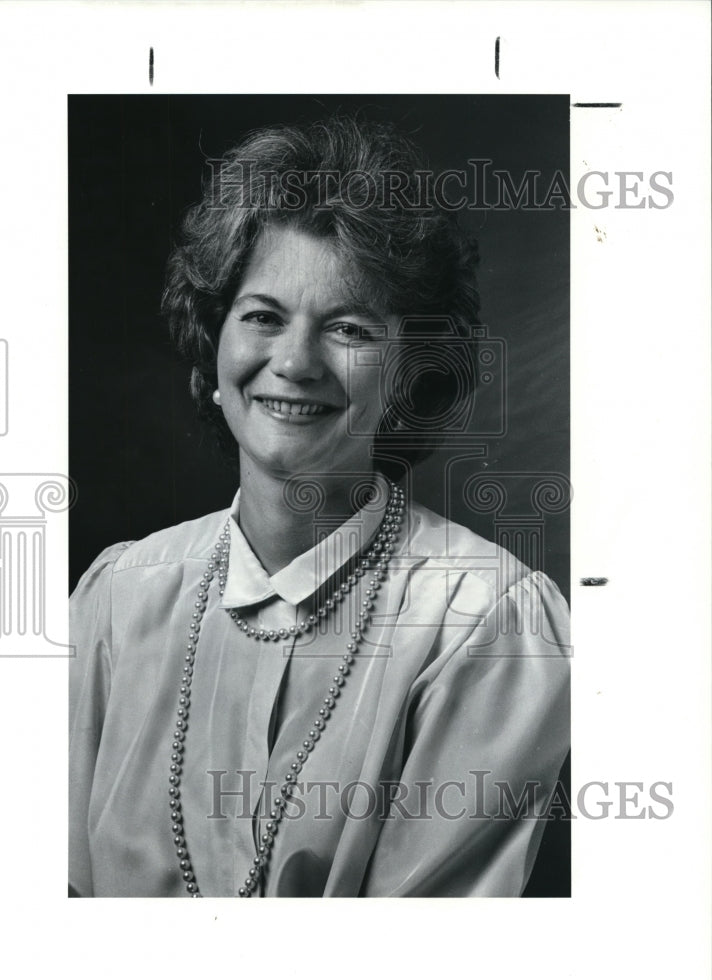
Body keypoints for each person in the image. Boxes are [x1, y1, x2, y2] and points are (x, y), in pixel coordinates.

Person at [69, 116, 570, 898]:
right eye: (263, 316)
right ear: (214, 342)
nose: (295, 363)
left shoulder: (488, 621)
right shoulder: (115, 598)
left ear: (410, 372)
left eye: (347, 327)